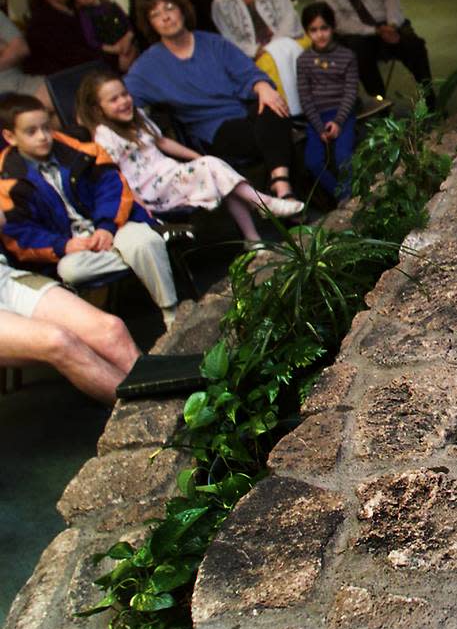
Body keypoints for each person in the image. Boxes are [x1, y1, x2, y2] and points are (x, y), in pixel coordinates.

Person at [0, 94, 179, 329]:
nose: (43, 136)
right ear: (10, 136)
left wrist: (106, 227)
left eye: (46, 127)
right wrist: (63, 245)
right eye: (31, 132)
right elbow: (21, 234)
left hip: (115, 226)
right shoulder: (6, 181)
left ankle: (172, 314)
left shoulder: (81, 149)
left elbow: (113, 187)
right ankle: (152, 248)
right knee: (71, 271)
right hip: (74, 246)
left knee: (142, 242)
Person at [76, 71, 303, 243]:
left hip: (172, 176)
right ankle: (265, 204)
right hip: (152, 194)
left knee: (217, 172)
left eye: (124, 94)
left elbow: (163, 142)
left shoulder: (138, 118)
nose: (124, 102)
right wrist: (140, 206)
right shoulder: (104, 136)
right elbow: (117, 176)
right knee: (213, 169)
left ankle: (253, 239)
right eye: (113, 100)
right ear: (98, 110)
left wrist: (196, 156)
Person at [125, 0, 298, 200]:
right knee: (272, 129)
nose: (165, 18)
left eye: (169, 8)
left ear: (181, 10)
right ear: (150, 24)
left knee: (273, 106)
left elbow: (248, 72)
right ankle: (282, 186)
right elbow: (120, 98)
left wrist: (262, 87)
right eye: (155, 15)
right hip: (213, 130)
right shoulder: (148, 66)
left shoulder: (213, 43)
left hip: (246, 111)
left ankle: (280, 184)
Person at [0, 211, 139, 406]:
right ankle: (149, 418)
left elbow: (3, 220)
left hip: (3, 278)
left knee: (111, 330)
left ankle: (176, 408)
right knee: (58, 341)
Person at [309, 0, 434, 107]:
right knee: (358, 54)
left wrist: (391, 25)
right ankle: (380, 106)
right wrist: (374, 31)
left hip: (388, 22)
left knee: (414, 45)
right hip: (358, 32)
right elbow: (338, 21)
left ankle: (429, 100)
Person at [211, 0, 305, 114]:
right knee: (267, 65)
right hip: (250, 55)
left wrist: (271, 48)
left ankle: (305, 107)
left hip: (285, 42)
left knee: (280, 57)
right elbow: (229, 40)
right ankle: (287, 112)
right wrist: (255, 50)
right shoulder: (220, 3)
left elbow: (290, 20)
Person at [296, 1, 357, 200]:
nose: (319, 34)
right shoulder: (303, 60)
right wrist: (319, 126)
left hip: (342, 113)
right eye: (313, 30)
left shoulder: (347, 56)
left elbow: (350, 92)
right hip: (317, 117)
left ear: (332, 27)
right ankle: (341, 194)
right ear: (307, 32)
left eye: (324, 28)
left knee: (343, 157)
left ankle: (347, 198)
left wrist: (338, 121)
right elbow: (305, 96)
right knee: (312, 161)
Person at [23, 0, 109, 76]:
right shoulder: (41, 24)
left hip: (101, 65)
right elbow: (73, 56)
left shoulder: (78, 8)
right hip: (79, 76)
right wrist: (113, 59)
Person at [72, 0, 138, 73]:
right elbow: (91, 40)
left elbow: (129, 25)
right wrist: (115, 49)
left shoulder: (112, 6)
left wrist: (127, 39)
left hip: (130, 45)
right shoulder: (85, 16)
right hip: (111, 54)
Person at [0, 10, 52, 110]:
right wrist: (4, 48)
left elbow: (20, 48)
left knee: (63, 93)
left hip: (19, 83)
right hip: (6, 94)